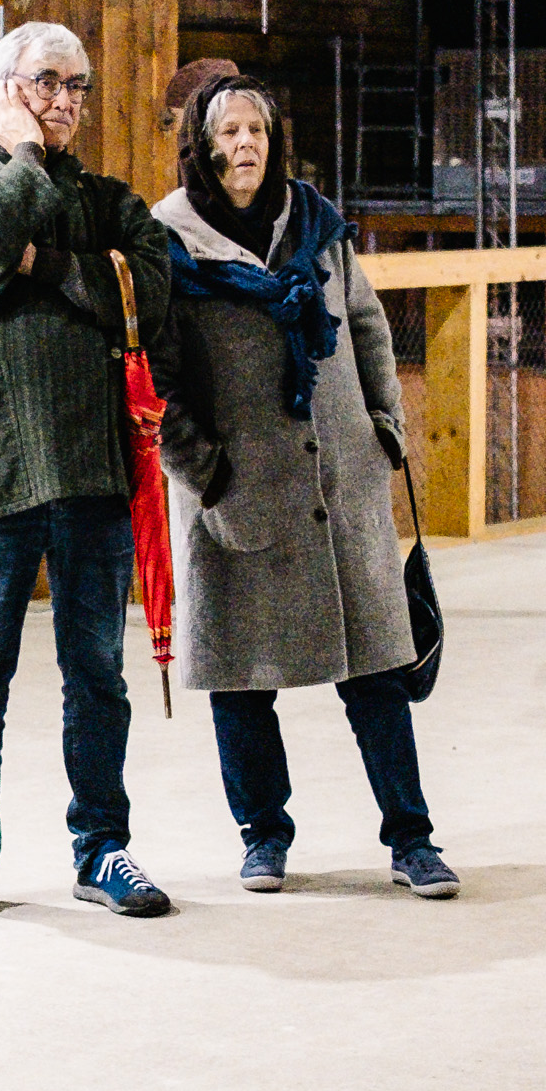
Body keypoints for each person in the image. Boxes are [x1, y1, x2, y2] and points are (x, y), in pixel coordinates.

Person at [156, 76, 459, 899]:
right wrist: (203, 471)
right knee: (241, 680)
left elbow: (365, 324)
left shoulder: (316, 225)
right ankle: (263, 837)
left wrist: (384, 425)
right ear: (202, 146)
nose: (244, 144)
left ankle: (412, 840)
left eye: (256, 130)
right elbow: (158, 377)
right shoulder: (169, 240)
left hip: (341, 485)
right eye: (228, 131)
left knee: (377, 675)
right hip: (237, 493)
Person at [0, 21, 178, 924]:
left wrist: (40, 263)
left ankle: (103, 848)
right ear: (4, 90)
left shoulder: (108, 201)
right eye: (45, 83)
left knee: (96, 674)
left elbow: (144, 295)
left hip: (91, 471)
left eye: (76, 85)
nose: (63, 100)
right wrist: (23, 166)